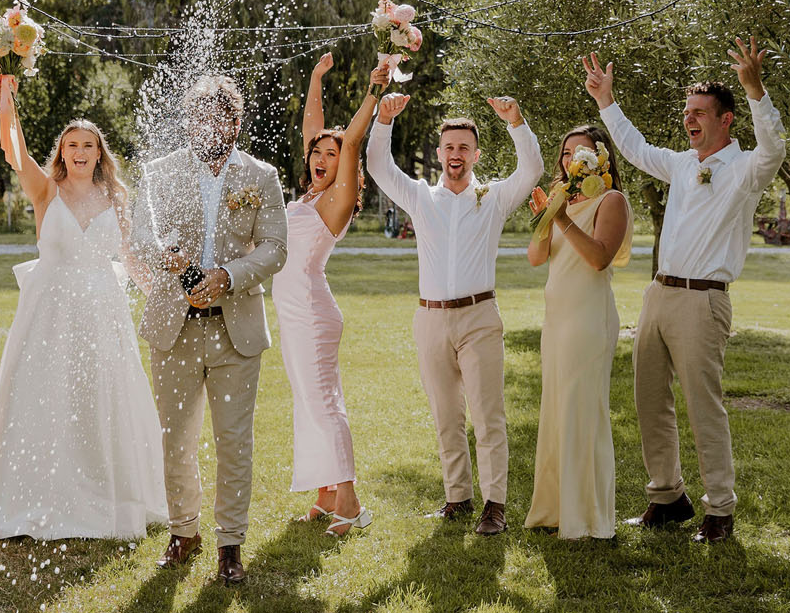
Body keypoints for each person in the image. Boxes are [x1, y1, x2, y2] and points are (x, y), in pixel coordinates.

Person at [0, 84, 167, 539]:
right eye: (72, 145)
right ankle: (37, 489)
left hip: (103, 313)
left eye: (88, 145)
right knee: (46, 394)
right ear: (63, 153)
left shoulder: (117, 197)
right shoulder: (45, 191)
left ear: (99, 153)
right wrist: (5, 98)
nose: (80, 152)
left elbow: (129, 257)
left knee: (100, 395)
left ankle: (105, 488)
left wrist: (160, 296)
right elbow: (15, 151)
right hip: (51, 312)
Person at [583, 39, 785, 543]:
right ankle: (667, 498)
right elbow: (632, 147)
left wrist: (755, 90)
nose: (689, 120)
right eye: (687, 112)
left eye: (699, 113)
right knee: (650, 399)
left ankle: (720, 509)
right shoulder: (679, 163)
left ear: (726, 120)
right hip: (659, 295)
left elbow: (775, 147)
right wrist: (607, 101)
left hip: (704, 300)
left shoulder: (745, 170)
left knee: (703, 405)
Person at [130, 75, 288, 584]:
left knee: (233, 441)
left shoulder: (261, 176)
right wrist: (169, 260)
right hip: (173, 326)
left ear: (235, 123)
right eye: (200, 117)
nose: (209, 126)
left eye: (219, 118)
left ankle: (230, 546)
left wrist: (229, 276)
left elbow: (275, 248)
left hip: (236, 328)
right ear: (189, 122)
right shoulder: (159, 174)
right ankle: (184, 531)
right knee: (175, 438)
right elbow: (141, 236)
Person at [366, 92, 542, 536]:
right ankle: (457, 498)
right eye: (449, 147)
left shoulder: (494, 196)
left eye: (464, 147)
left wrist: (516, 120)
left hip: (479, 317)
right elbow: (377, 166)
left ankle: (495, 505)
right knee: (446, 415)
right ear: (440, 152)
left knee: (487, 416)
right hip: (430, 319)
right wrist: (383, 120)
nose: (456, 154)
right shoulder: (422, 196)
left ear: (476, 154)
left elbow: (533, 170)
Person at [275, 54, 389, 536]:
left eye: (330, 154)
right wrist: (316, 79)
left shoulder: (336, 199)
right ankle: (323, 492)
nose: (320, 159)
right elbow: (312, 126)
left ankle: (349, 499)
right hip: (293, 312)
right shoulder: (306, 195)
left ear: (343, 164)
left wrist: (373, 92)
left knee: (324, 400)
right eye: (316, 154)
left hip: (314, 311)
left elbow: (353, 138)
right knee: (307, 400)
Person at [523, 126, 632, 540]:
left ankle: (587, 518)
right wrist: (547, 217)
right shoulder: (560, 200)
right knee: (556, 411)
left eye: (580, 151)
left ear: (600, 158)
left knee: (582, 412)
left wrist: (565, 219)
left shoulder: (612, 200)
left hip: (589, 318)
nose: (572, 159)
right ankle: (553, 511)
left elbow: (599, 258)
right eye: (566, 152)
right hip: (556, 319)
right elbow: (536, 258)